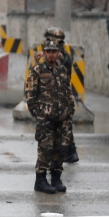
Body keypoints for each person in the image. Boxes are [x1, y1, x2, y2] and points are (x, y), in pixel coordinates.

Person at [25, 41, 74, 194]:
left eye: (54, 51)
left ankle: (56, 178)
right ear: (44, 53)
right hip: (45, 117)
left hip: (63, 117)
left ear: (58, 52)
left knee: (61, 148)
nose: (51, 54)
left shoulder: (62, 70)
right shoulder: (37, 70)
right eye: (48, 51)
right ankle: (40, 180)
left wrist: (70, 109)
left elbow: (68, 90)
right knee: (45, 148)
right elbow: (30, 94)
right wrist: (39, 113)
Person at [41, 27, 79, 163]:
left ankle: (62, 154)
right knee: (64, 126)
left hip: (57, 96)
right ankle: (71, 152)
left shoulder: (59, 56)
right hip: (60, 95)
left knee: (57, 127)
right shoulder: (63, 54)